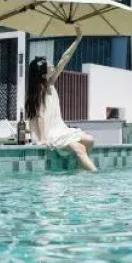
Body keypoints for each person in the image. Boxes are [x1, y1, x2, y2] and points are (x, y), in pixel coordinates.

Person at [25, 25, 97, 172]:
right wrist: (43, 139)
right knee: (79, 148)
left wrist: (78, 39)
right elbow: (40, 116)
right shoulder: (39, 91)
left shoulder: (50, 83)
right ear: (44, 75)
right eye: (49, 66)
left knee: (89, 141)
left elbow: (64, 59)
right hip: (50, 134)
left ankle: (80, 171)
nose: (53, 65)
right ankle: (93, 175)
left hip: (60, 129)